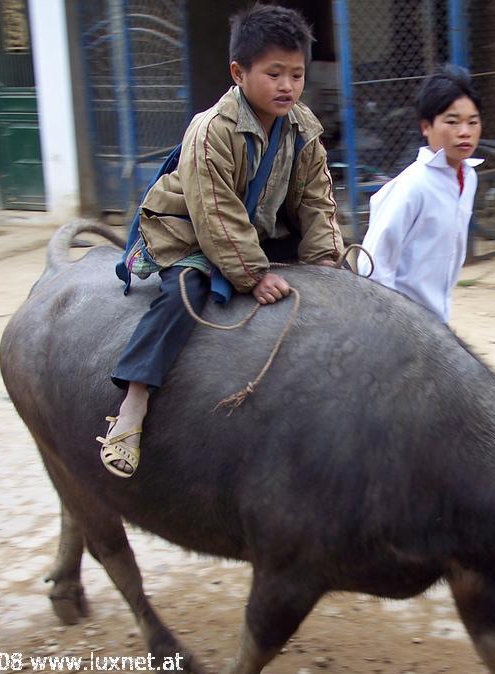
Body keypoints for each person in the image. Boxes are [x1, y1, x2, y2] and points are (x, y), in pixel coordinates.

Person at [98, 2, 344, 478]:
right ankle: (133, 402)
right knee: (183, 294)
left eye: (296, 74)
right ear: (238, 71)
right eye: (274, 74)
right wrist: (253, 276)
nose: (287, 85)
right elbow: (215, 212)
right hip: (192, 231)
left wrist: (325, 264)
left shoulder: (304, 128)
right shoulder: (211, 130)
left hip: (259, 231)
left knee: (338, 285)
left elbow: (318, 201)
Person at [357, 65, 482, 323]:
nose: (465, 132)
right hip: (404, 324)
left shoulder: (468, 177)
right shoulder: (412, 186)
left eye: (473, 122)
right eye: (452, 121)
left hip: (437, 320)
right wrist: (390, 322)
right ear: (426, 126)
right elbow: (373, 263)